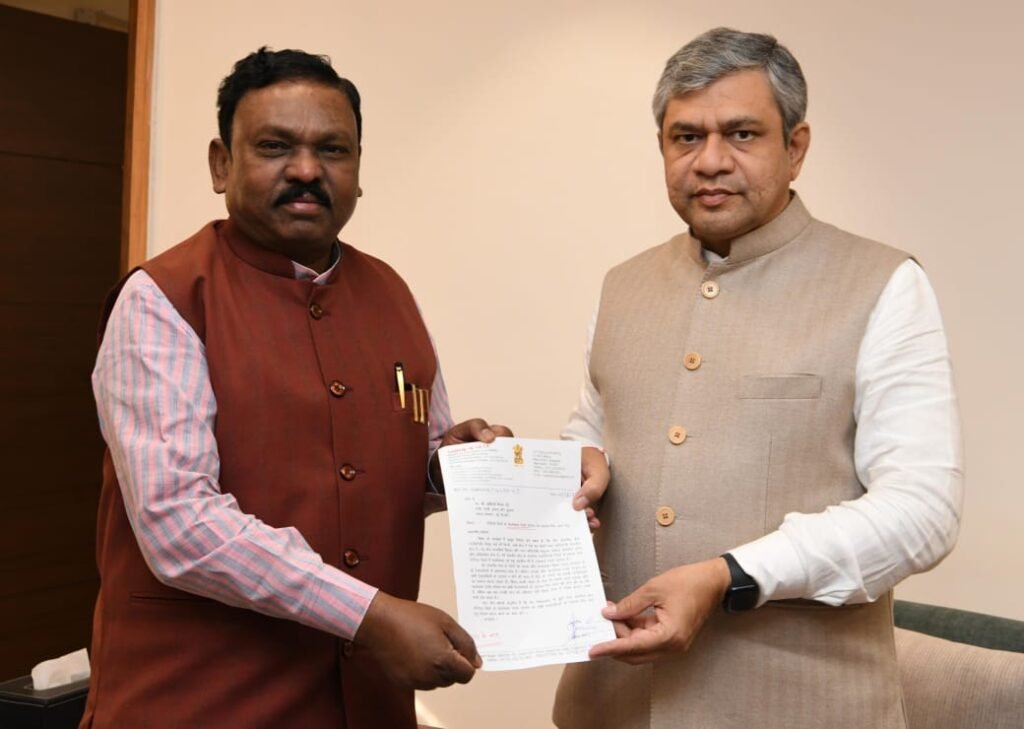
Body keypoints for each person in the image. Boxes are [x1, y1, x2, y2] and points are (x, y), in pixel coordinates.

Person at [81, 47, 508, 728]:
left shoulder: (390, 292)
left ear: (359, 170)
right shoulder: (164, 299)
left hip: (364, 705)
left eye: (332, 150)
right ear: (221, 164)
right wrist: (371, 615)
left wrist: (452, 469)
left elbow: (403, 461)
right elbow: (180, 524)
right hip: (198, 704)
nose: (307, 170)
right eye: (275, 146)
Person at [553, 27, 963, 729]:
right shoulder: (622, 286)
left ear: (795, 147)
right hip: (612, 704)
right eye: (686, 137)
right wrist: (579, 462)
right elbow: (595, 426)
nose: (710, 160)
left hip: (800, 708)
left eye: (741, 134)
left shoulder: (884, 284)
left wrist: (731, 574)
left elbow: (924, 510)